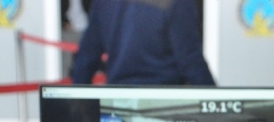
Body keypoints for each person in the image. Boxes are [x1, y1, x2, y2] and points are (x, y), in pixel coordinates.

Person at [71, 0, 215, 85]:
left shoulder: (105, 3)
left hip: (118, 102)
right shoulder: (177, 2)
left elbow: (86, 58)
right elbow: (191, 61)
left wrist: (77, 108)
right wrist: (218, 108)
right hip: (163, 102)